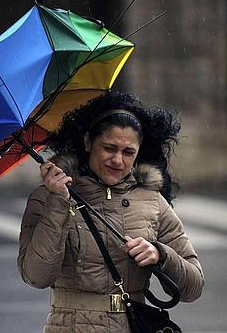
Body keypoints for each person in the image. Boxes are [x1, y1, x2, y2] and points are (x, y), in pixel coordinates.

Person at [18, 91, 204, 332]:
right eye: (109, 148)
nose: (118, 160)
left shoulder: (152, 201)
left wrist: (160, 254)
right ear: (88, 142)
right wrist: (58, 203)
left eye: (128, 152)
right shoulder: (47, 197)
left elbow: (193, 287)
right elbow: (36, 276)